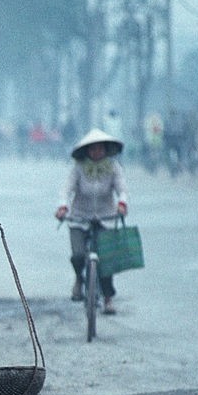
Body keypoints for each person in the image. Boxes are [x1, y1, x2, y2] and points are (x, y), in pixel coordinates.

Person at [55, 127, 128, 314]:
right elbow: (66, 189)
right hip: (79, 218)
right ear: (87, 151)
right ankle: (79, 278)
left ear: (105, 150)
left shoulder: (113, 168)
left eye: (100, 149)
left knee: (105, 262)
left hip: (106, 218)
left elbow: (122, 190)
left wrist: (122, 203)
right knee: (78, 255)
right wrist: (63, 206)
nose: (96, 152)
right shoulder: (78, 169)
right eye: (92, 149)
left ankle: (108, 299)